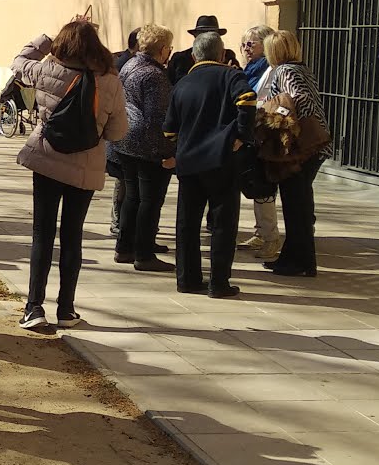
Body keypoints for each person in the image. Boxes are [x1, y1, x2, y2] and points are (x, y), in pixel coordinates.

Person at [11, 18, 128, 331]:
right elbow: (118, 131)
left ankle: (34, 307)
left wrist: (46, 38)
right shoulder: (110, 81)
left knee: (42, 232)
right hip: (85, 165)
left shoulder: (48, 71)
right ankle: (66, 309)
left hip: (47, 159)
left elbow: (19, 62)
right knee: (72, 235)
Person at [163, 31, 257, 299]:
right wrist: (241, 136)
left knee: (187, 223)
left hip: (189, 161)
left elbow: (169, 129)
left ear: (194, 55)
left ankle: (188, 279)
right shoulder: (231, 76)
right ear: (221, 53)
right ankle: (219, 282)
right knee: (223, 223)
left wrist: (180, 145)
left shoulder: (182, 83)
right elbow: (248, 100)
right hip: (221, 159)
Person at [259, 30, 331, 278]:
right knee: (298, 204)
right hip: (314, 145)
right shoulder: (302, 69)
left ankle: (300, 262)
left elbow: (295, 100)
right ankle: (292, 257)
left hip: (300, 147)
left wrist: (274, 113)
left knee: (295, 206)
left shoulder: (284, 71)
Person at [112, 24, 176, 272]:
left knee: (132, 197)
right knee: (150, 200)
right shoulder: (154, 75)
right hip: (147, 143)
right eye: (169, 48)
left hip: (126, 139)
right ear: (162, 50)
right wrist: (169, 150)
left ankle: (125, 247)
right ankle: (144, 253)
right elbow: (157, 117)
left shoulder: (129, 64)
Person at [239, 24, 281, 259]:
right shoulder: (251, 69)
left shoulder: (269, 70)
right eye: (244, 44)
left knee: (264, 188)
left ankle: (271, 237)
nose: (246, 49)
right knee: (256, 186)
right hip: (253, 133)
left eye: (251, 44)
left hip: (263, 135)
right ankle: (261, 232)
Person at [106, 30, 141, 235]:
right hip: (123, 129)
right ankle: (117, 221)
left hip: (125, 128)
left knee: (126, 180)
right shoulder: (124, 63)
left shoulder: (125, 61)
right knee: (123, 180)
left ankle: (121, 221)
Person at [169, 15, 224, 84]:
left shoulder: (227, 56)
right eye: (203, 36)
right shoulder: (180, 59)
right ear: (195, 37)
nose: (207, 39)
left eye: (212, 37)